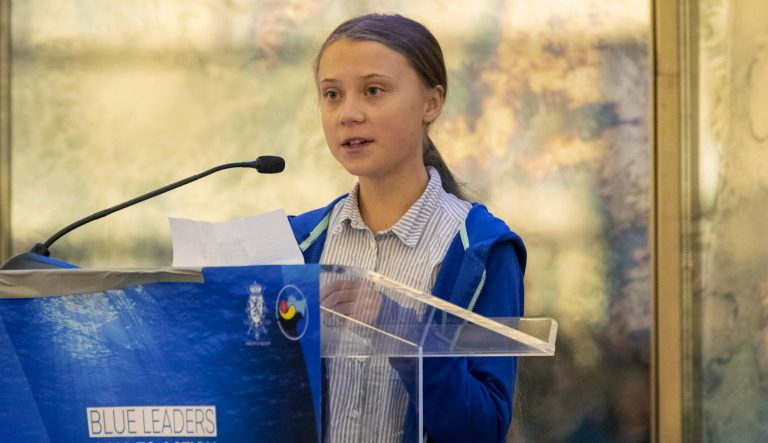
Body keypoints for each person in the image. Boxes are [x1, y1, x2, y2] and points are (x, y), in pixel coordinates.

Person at [288, 13, 526, 443]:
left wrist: (397, 326)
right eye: (332, 94)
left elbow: (483, 428)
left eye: (373, 91)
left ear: (431, 103)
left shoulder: (483, 249)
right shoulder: (296, 243)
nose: (348, 114)